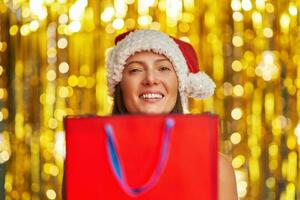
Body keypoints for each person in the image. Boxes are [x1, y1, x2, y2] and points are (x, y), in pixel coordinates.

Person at [106, 29, 238, 200]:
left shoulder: (216, 167)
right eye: (135, 70)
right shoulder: (86, 161)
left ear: (179, 83)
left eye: (163, 68)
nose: (151, 79)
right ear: (119, 85)